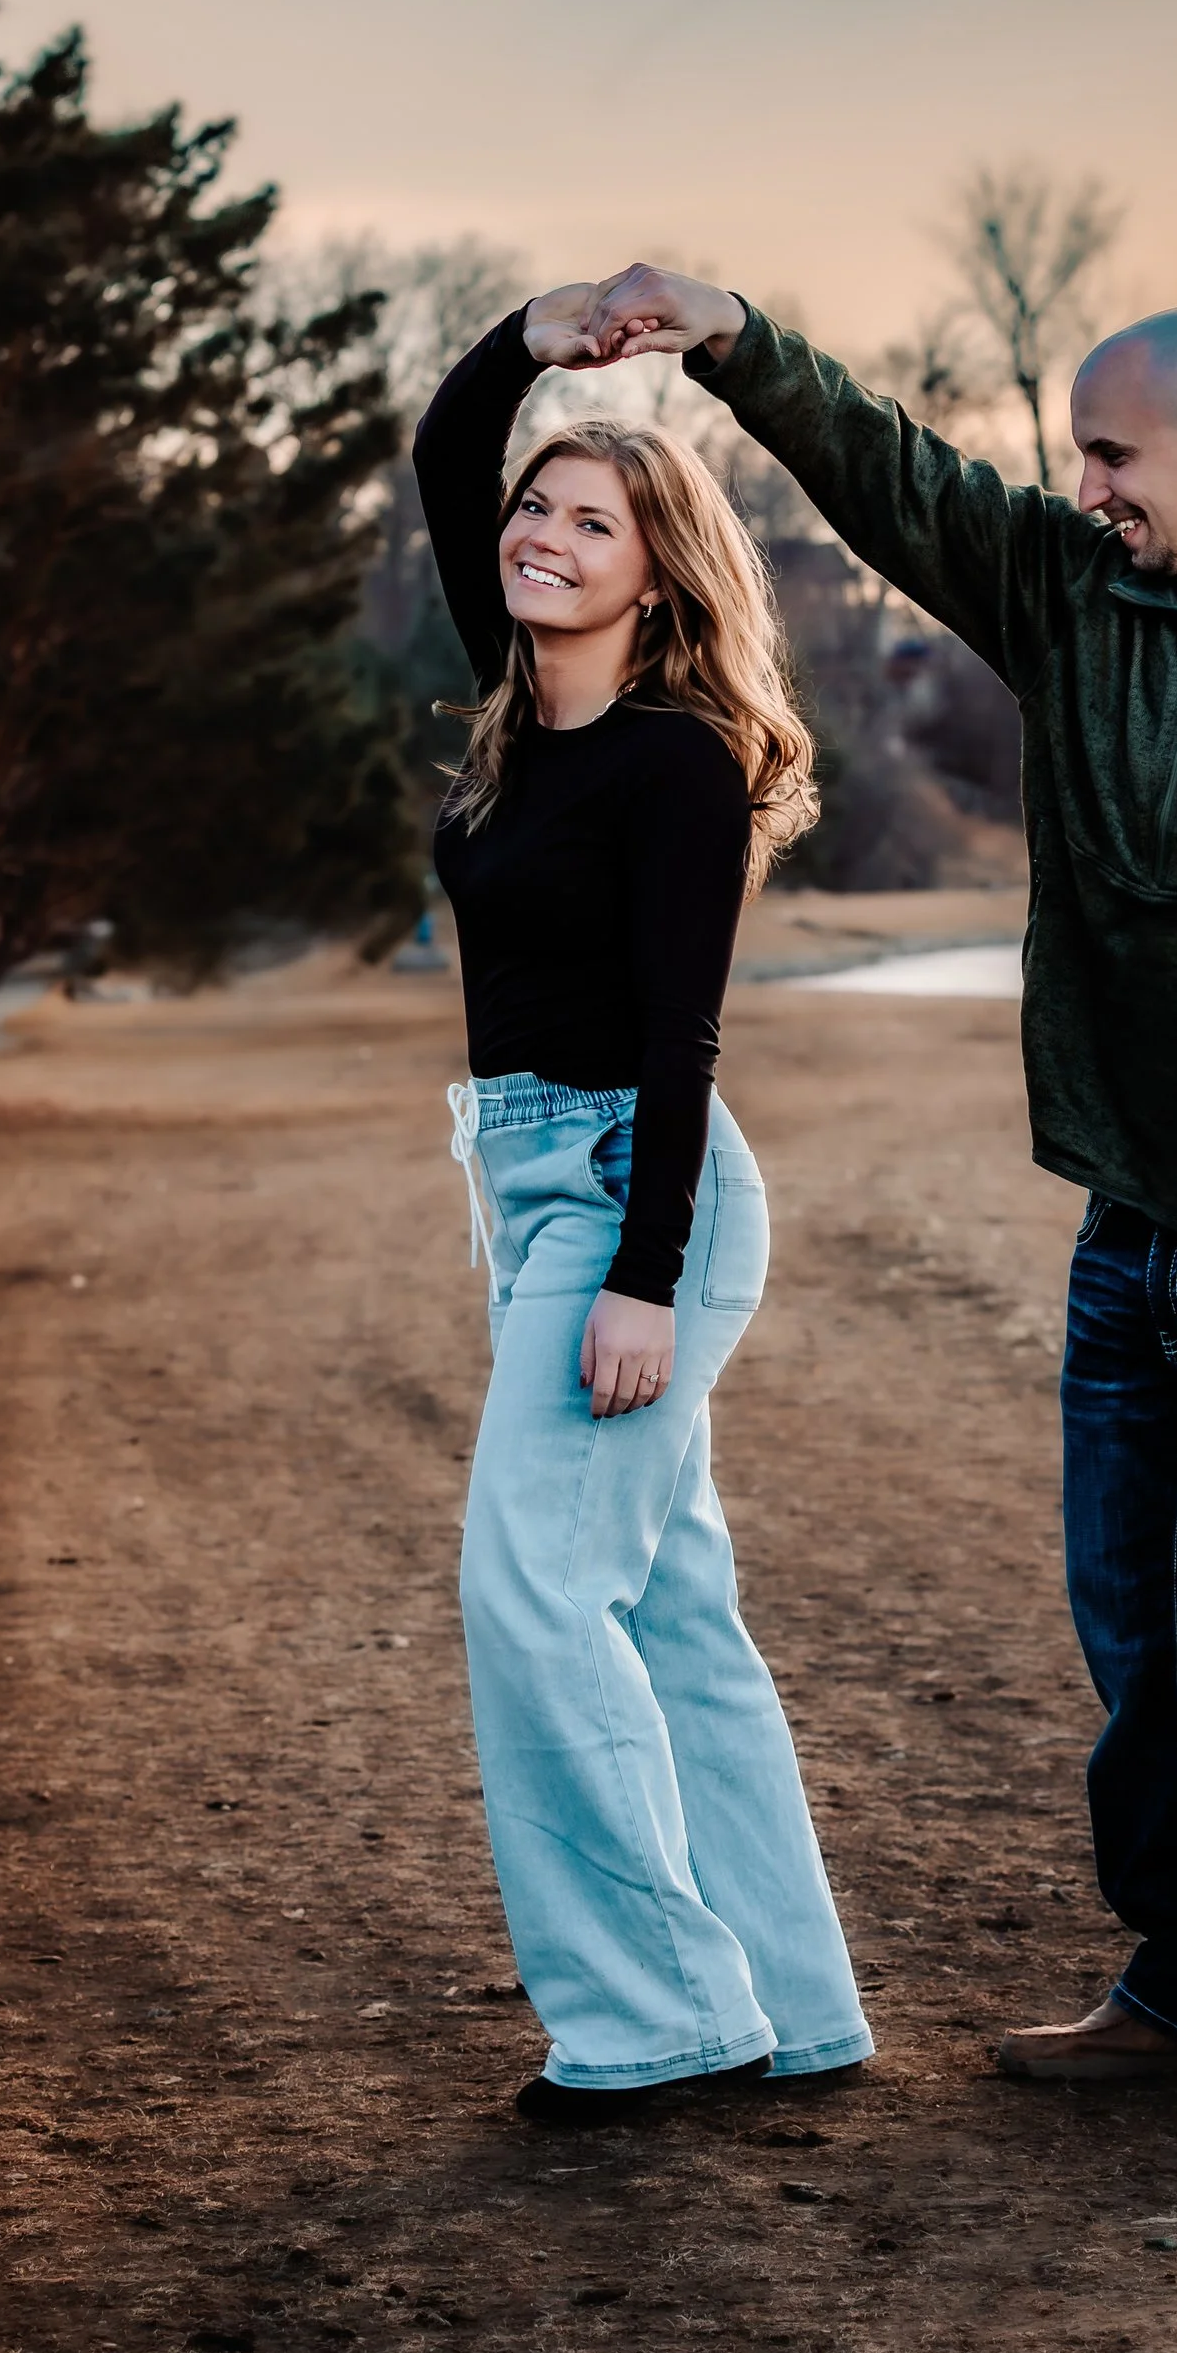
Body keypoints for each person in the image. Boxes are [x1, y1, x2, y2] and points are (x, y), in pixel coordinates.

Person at [552, 269, 1177, 2140]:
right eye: (1078, 456)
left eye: (1113, 452)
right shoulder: (1074, 596)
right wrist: (734, 336)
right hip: (1131, 1238)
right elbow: (892, 476)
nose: (1087, 484)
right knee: (1142, 1632)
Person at [413, 291, 873, 2118]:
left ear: (660, 573)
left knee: (525, 1585)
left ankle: (658, 2013)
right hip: (535, 1181)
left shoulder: (674, 760)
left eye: (593, 520)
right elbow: (455, 447)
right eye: (541, 508)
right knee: (669, 1610)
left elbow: (682, 1043)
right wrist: (542, 338)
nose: (541, 533)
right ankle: (792, 1999)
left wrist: (641, 1277)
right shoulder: (522, 711)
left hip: (628, 1192)